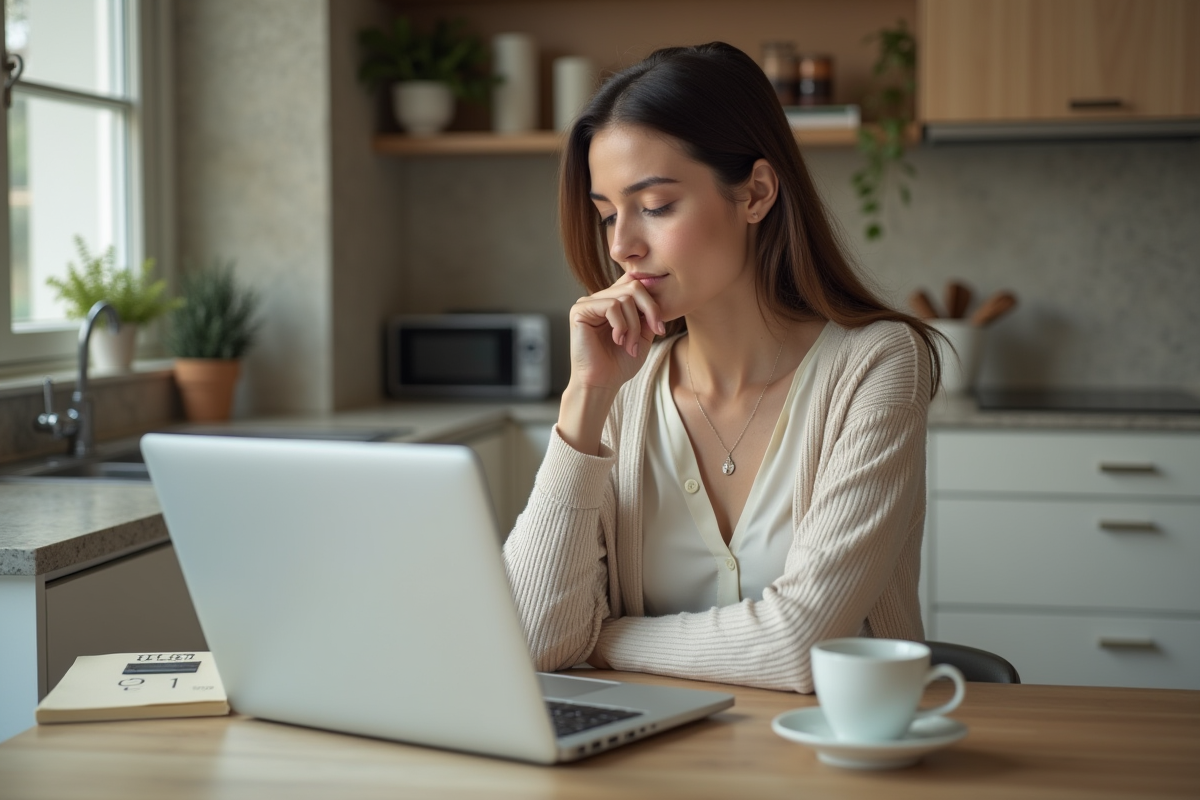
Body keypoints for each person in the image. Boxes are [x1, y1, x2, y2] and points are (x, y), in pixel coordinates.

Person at [502, 42, 942, 693]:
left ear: (756, 193)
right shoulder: (623, 394)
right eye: (606, 214)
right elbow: (533, 640)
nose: (622, 245)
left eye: (654, 206)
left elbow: (800, 646)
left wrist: (604, 638)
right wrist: (585, 399)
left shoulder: (876, 366)